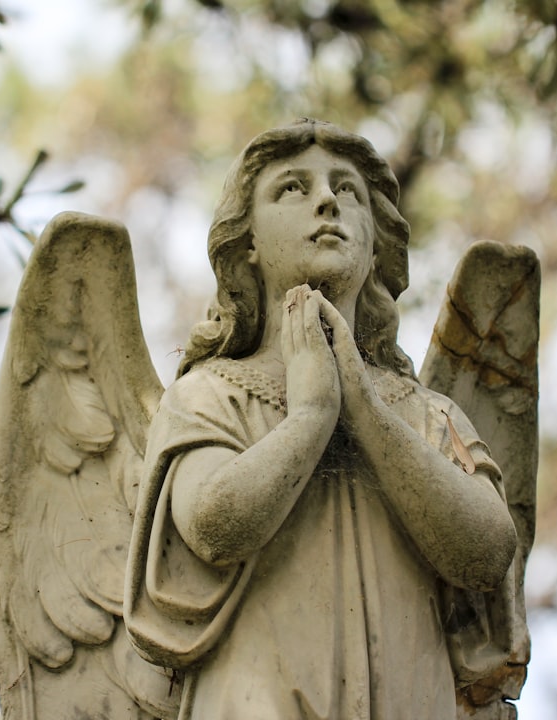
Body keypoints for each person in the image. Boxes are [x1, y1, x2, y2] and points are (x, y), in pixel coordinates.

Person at [124, 120, 518, 719]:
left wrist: (364, 406)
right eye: (291, 189)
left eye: (348, 190)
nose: (327, 201)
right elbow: (210, 526)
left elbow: (489, 551)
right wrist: (311, 416)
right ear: (247, 240)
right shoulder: (211, 393)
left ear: (376, 241)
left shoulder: (429, 412)